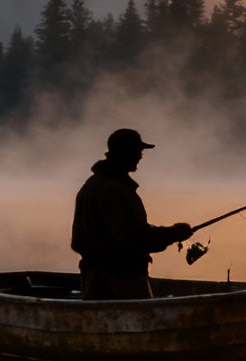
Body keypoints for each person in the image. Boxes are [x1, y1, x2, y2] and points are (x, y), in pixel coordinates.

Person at [71, 128, 193, 300]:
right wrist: (173, 233)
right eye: (137, 151)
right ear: (124, 153)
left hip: (98, 279)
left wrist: (169, 234)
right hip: (117, 281)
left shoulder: (98, 185)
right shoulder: (112, 190)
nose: (140, 156)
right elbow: (130, 237)